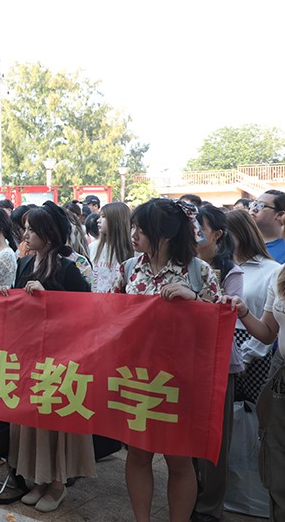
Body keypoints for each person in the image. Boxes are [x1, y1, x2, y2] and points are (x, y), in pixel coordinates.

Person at [113, 198, 222, 522]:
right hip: (137, 376)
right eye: (133, 227)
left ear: (165, 234)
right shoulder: (129, 268)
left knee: (179, 460)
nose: (134, 235)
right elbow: (105, 314)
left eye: (141, 229)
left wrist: (195, 301)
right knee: (138, 454)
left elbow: (220, 325)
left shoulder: (199, 271)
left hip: (181, 380)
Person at [2, 202, 93, 513]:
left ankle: (57, 485)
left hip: (59, 359)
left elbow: (84, 314)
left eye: (32, 229)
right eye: (26, 228)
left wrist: (50, 299)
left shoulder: (69, 269)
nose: (25, 234)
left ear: (49, 234)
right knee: (33, 419)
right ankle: (39, 479)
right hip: (29, 354)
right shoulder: (25, 263)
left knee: (54, 421)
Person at [193, 205, 244, 522]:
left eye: (200, 228)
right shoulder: (184, 266)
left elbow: (224, 319)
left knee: (215, 439)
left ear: (217, 234)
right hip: (186, 362)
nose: (193, 234)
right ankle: (190, 496)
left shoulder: (231, 272)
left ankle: (210, 506)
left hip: (218, 365)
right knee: (189, 436)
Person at [224, 264, 285, 521]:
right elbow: (268, 333)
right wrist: (244, 311)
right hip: (280, 374)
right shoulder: (280, 273)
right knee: (276, 457)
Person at [227, 209, 281, 403]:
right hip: (225, 345)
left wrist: (247, 355)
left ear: (241, 234)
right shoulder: (222, 266)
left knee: (255, 411)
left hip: (255, 351)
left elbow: (269, 326)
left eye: (225, 234)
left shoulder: (272, 269)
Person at [89, 202, 133, 294]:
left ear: (116, 220)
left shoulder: (133, 250)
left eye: (103, 216)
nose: (98, 220)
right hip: (95, 300)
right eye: (99, 216)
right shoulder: (93, 247)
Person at [250, 190, 285, 263]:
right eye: (254, 204)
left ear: (280, 215)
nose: (254, 209)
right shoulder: (241, 243)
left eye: (261, 205)